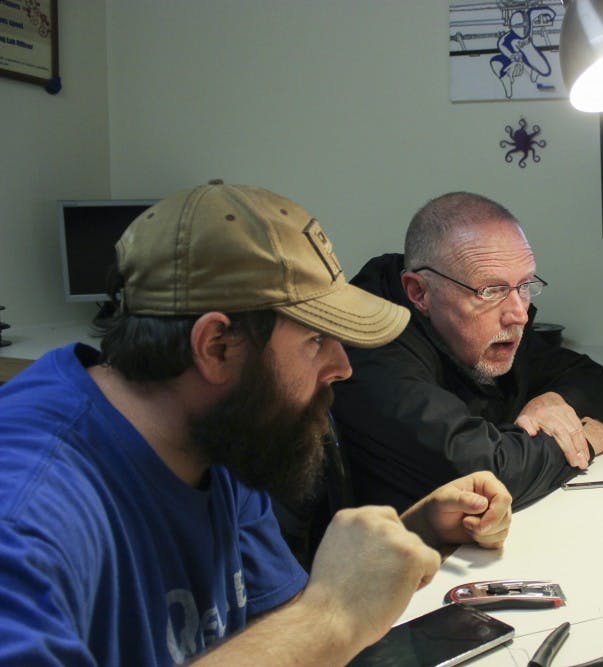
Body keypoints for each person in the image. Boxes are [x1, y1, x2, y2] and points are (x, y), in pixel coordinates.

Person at [0, 182, 513, 665]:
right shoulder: (26, 514)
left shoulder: (216, 436)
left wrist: (416, 534)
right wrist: (331, 614)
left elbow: (279, 636)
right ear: (217, 347)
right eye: (316, 340)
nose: (342, 366)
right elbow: (313, 626)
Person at [332, 192, 603, 513]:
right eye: (491, 290)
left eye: (524, 286)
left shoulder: (494, 322)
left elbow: (590, 377)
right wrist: (583, 442)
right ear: (419, 292)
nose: (519, 314)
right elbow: (485, 473)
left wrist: (553, 400)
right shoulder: (373, 349)